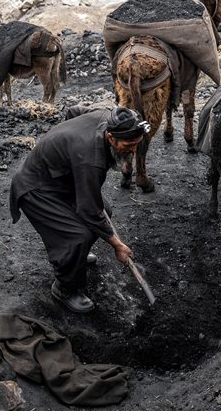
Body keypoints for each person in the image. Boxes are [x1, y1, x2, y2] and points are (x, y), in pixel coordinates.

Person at [9, 107, 145, 313]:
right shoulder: (91, 159)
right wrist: (117, 245)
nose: (133, 151)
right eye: (129, 145)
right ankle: (64, 287)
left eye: (137, 144)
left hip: (60, 178)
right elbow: (89, 210)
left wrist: (66, 149)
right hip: (36, 188)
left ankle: (75, 257)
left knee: (105, 210)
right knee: (77, 236)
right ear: (110, 138)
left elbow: (73, 112)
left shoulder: (108, 117)